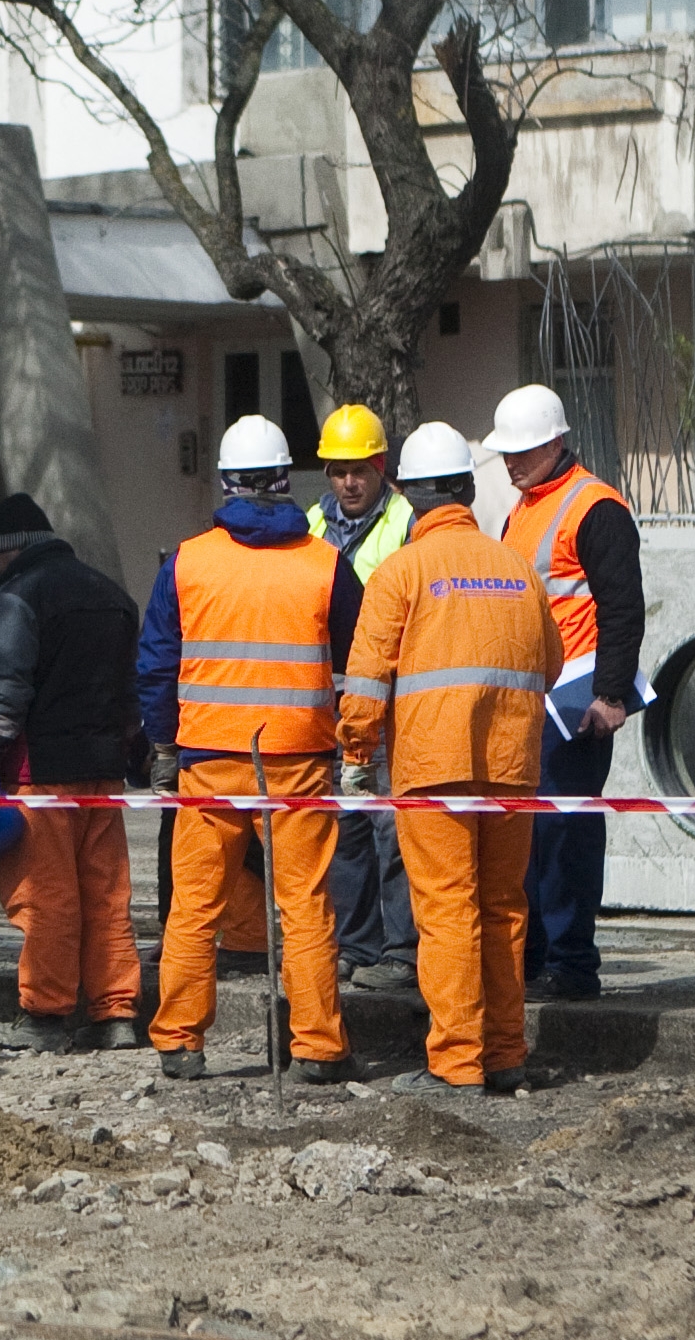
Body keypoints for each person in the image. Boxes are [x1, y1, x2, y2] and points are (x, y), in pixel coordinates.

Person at [337, 421, 564, 1097]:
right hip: (513, 765)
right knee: (503, 908)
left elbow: (366, 680)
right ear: (467, 490)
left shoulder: (401, 571)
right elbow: (549, 665)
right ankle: (505, 1053)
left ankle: (457, 1061)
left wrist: (356, 750)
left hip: (433, 768)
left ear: (407, 494)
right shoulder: (518, 567)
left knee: (447, 911)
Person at [137, 414, 363, 1082]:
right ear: (287, 480)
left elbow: (156, 666)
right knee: (306, 906)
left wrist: (161, 745)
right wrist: (356, 746)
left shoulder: (188, 561)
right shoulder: (327, 566)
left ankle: (180, 1042)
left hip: (208, 762)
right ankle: (318, 1048)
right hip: (299, 760)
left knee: (195, 906)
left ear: (228, 485)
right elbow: (359, 665)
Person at [0, 492, 145, 1054]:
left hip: (40, 774)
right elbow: (129, 689)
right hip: (103, 775)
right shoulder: (111, 594)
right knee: (107, 895)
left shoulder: (18, 597)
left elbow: (4, 691)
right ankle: (115, 1013)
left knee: (46, 898)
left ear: (10, 551)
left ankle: (43, 1017)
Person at [485, 384, 646, 1001]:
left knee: (564, 835)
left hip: (577, 702)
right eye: (507, 452)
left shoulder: (596, 508)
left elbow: (622, 609)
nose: (512, 461)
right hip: (531, 699)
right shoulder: (523, 508)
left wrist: (611, 696)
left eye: (524, 450)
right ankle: (533, 957)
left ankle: (572, 964)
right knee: (528, 834)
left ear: (556, 441)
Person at [312, 404, 419, 995]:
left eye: (359, 470)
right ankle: (356, 945)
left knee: (391, 829)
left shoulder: (406, 522)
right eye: (337, 470)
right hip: (335, 705)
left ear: (381, 468)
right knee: (346, 829)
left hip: (394, 702)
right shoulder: (310, 526)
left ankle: (402, 950)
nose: (348, 482)